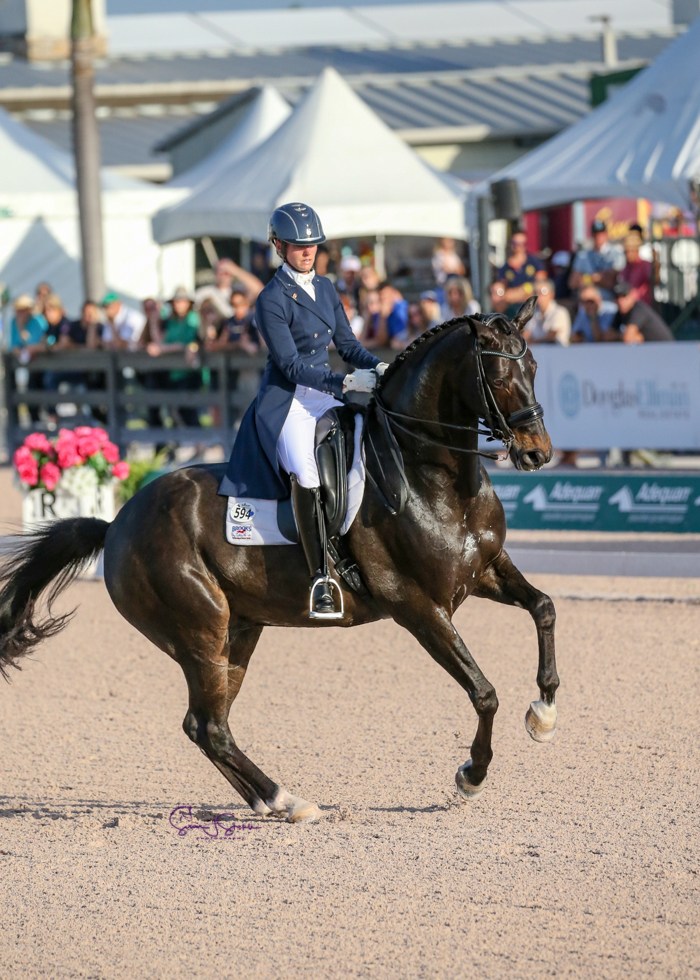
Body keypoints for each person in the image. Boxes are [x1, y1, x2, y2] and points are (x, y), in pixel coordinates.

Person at [218, 202, 388, 618]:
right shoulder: (271, 299)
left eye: (312, 244)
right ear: (279, 246)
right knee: (306, 470)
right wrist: (344, 382)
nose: (307, 251)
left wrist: (380, 366)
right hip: (289, 400)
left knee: (367, 437)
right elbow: (292, 366)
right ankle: (320, 577)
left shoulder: (327, 288)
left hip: (325, 392)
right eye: (297, 245)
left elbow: (347, 346)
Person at [147, 287, 202, 428]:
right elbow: (161, 340)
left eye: (183, 301)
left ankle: (200, 443)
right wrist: (153, 320)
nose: (179, 305)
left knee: (188, 408)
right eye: (177, 301)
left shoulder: (193, 319)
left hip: (190, 371)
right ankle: (189, 443)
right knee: (175, 409)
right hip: (174, 373)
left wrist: (162, 349)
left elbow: (187, 342)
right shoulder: (170, 321)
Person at [10, 294, 48, 421]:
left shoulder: (38, 320)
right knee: (29, 394)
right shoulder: (14, 322)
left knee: (43, 391)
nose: (20, 313)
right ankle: (35, 422)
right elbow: (14, 344)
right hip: (28, 365)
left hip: (44, 363)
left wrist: (23, 333)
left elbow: (37, 342)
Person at [568, 219, 624, 301]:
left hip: (608, 301)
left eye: (601, 234)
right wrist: (594, 277)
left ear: (606, 234)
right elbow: (573, 282)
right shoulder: (583, 255)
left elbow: (610, 281)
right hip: (587, 302)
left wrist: (585, 277)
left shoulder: (616, 253)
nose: (598, 237)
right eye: (595, 234)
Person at [496, 231, 546, 305]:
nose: (518, 247)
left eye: (522, 244)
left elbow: (542, 284)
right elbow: (503, 292)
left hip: (532, 305)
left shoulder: (535, 262)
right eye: (515, 243)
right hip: (513, 307)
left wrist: (523, 290)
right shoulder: (505, 268)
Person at [523, 280, 571, 345]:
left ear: (552, 294)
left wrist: (533, 341)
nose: (538, 296)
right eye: (536, 292)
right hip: (539, 353)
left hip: (557, 352)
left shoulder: (560, 312)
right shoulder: (533, 314)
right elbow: (525, 335)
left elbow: (551, 337)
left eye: (543, 291)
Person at [618, 231, 653, 306]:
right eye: (626, 251)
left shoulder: (645, 265)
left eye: (631, 251)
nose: (628, 254)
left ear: (636, 250)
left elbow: (655, 279)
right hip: (629, 306)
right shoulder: (626, 268)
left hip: (642, 306)